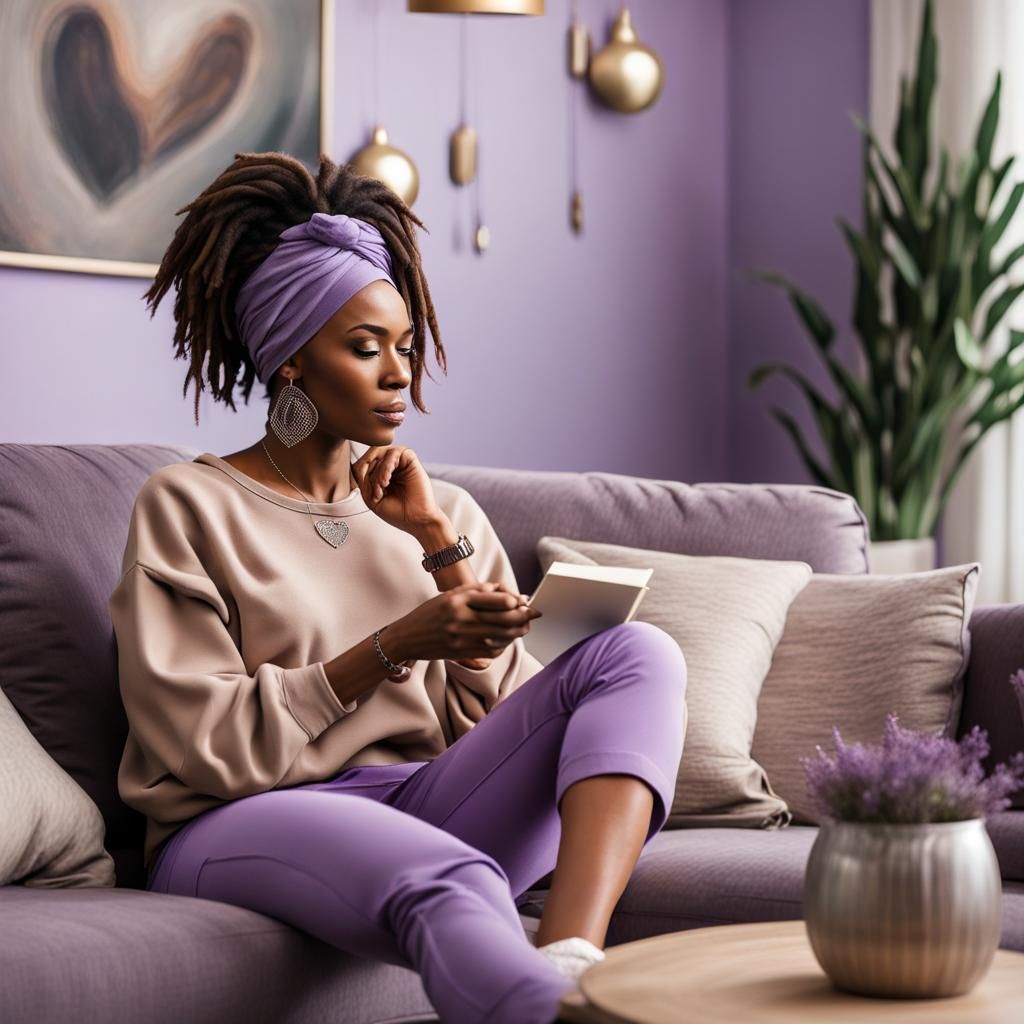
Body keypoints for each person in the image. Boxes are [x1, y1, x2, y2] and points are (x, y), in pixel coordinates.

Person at [109, 150, 688, 1024]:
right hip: (241, 820)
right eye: (365, 348)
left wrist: (436, 547)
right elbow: (204, 746)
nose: (399, 374)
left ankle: (575, 967)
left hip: (426, 797)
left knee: (640, 652)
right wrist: (395, 645)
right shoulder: (189, 505)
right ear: (291, 361)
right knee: (452, 879)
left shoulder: (439, 510)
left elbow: (511, 722)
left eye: (406, 347)